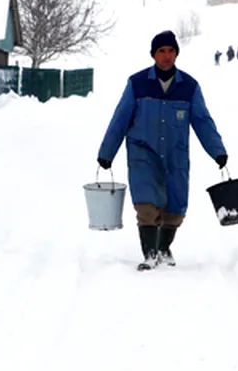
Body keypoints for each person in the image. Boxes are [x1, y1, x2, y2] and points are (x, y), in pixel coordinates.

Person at [96, 30, 229, 270]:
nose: (167, 56)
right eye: (161, 51)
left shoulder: (189, 87)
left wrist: (217, 151)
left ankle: (164, 247)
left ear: (176, 53)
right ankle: (149, 254)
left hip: (175, 154)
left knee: (175, 207)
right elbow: (120, 119)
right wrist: (106, 153)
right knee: (146, 204)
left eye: (171, 51)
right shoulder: (137, 84)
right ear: (153, 55)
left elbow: (202, 121)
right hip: (143, 153)